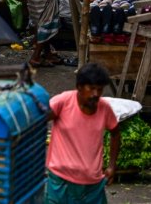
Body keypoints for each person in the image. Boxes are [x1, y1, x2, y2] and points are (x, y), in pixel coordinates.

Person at [46, 63, 120, 203]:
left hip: (92, 184)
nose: (95, 94)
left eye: (99, 90)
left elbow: (115, 133)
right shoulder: (62, 102)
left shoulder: (104, 109)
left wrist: (111, 165)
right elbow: (38, 120)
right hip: (61, 181)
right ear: (79, 87)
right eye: (91, 89)